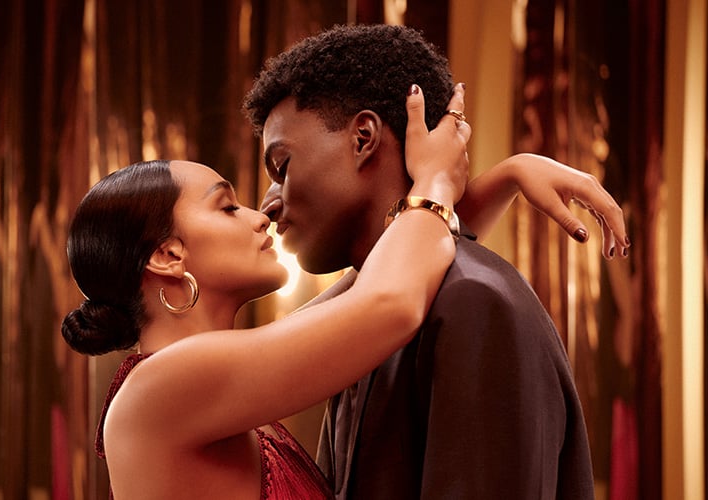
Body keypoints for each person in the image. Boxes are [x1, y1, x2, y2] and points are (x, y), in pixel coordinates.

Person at [243, 24, 629, 499]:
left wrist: (484, 183)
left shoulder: (473, 301)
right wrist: (452, 187)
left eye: (282, 166)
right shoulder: (363, 316)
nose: (267, 205)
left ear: (363, 137)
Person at [61, 87, 469, 498]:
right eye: (227, 207)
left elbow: (404, 270)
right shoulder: (163, 386)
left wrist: (487, 179)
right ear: (168, 255)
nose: (260, 217)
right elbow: (391, 304)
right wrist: (435, 179)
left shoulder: (211, 378)